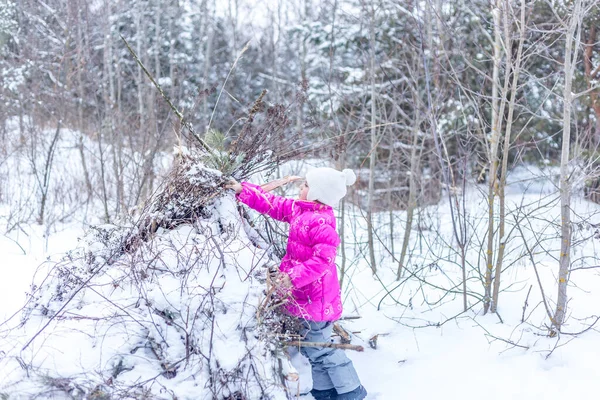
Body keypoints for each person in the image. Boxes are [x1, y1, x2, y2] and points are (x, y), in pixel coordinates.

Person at [227, 167, 367, 400]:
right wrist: (244, 190)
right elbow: (274, 203)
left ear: (317, 193)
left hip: (318, 298)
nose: (300, 188)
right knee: (314, 347)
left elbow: (323, 260)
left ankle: (351, 390)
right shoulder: (300, 210)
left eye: (306, 186)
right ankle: (325, 391)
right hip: (305, 295)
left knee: (321, 348)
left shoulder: (322, 222)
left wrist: (292, 277)